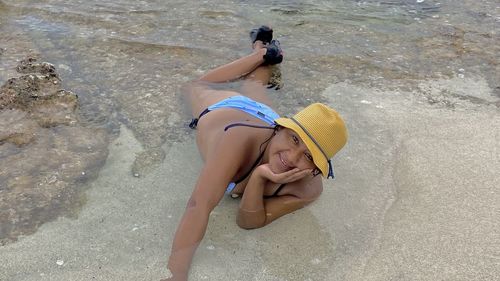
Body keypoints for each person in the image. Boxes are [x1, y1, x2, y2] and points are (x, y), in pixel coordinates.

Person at [163, 26, 348, 281]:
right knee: (194, 85)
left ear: (317, 168)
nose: (292, 158)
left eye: (308, 156)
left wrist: (260, 177)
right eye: (295, 139)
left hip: (266, 123)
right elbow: (199, 204)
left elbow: (248, 222)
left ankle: (268, 52)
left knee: (254, 84)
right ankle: (260, 53)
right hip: (228, 110)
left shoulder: (307, 189)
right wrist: (177, 274)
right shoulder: (236, 142)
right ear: (282, 127)